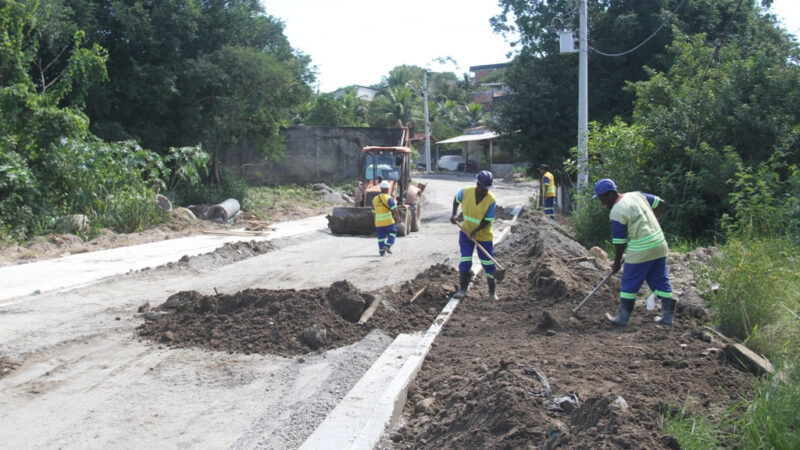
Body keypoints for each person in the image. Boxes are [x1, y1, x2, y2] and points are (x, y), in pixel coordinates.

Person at [593, 178, 675, 326]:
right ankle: (667, 317)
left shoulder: (617, 211)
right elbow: (660, 203)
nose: (602, 203)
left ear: (610, 194)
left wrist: (617, 263)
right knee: (659, 278)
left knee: (629, 282)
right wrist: (652, 220)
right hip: (659, 243)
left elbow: (620, 242)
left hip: (641, 250)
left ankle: (622, 318)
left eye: (602, 198)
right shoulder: (636, 195)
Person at [450, 170, 498, 301]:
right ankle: (462, 289)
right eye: (483, 188)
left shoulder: (491, 200)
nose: (485, 191)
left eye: (487, 188)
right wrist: (454, 214)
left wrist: (476, 231)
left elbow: (487, 220)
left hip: (483, 235)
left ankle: (492, 292)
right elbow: (456, 199)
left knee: (488, 262)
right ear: (477, 184)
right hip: (466, 232)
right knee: (465, 260)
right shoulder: (466, 192)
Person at [372, 180, 399, 256]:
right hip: (388, 222)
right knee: (393, 232)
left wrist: (375, 221)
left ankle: (381, 252)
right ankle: (387, 245)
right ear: (387, 189)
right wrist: (398, 217)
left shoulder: (375, 199)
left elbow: (373, 212)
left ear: (381, 189)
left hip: (378, 223)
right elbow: (394, 209)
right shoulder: (388, 198)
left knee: (381, 237)